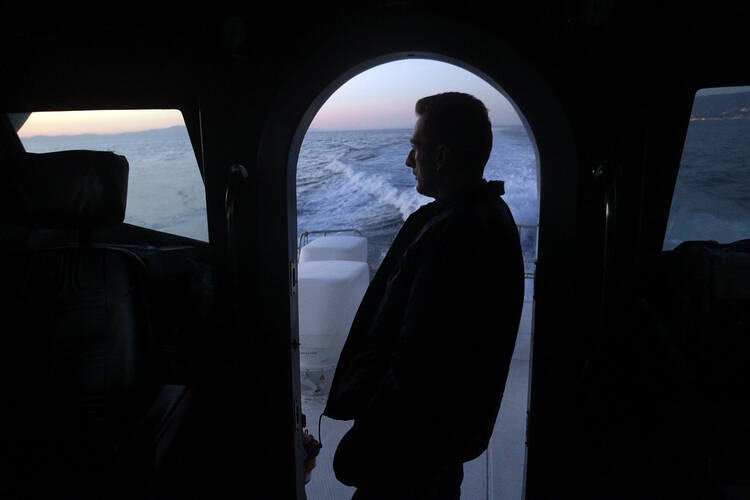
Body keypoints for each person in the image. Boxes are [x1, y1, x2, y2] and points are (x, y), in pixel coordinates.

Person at [323, 92, 524, 499]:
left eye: (416, 147)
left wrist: (362, 448)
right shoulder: (477, 217)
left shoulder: (458, 236)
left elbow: (419, 366)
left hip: (410, 457)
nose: (407, 160)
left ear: (442, 156)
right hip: (432, 451)